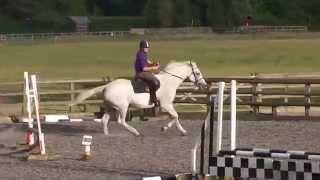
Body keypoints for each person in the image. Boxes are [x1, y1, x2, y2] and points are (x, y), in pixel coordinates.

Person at [134, 40, 160, 106]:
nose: (147, 49)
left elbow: (147, 61)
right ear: (142, 48)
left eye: (148, 48)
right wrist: (154, 68)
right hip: (141, 73)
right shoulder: (141, 55)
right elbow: (144, 68)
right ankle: (153, 98)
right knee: (156, 82)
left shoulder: (143, 53)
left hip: (143, 72)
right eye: (146, 48)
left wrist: (153, 63)